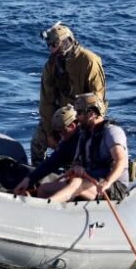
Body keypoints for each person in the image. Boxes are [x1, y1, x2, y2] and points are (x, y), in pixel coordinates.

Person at [16, 93, 127, 203]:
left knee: (76, 183)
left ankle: (46, 206)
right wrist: (29, 179)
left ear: (91, 114)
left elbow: (121, 161)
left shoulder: (112, 132)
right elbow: (60, 160)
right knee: (44, 189)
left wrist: (107, 182)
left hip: (113, 186)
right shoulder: (84, 135)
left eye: (79, 113)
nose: (77, 117)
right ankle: (43, 209)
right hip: (89, 181)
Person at [32, 22, 107, 165]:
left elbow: (97, 100)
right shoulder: (51, 65)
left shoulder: (89, 61)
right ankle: (37, 172)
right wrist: (49, 133)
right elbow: (46, 101)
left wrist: (84, 123)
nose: (51, 49)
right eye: (49, 45)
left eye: (55, 44)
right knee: (38, 139)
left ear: (66, 41)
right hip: (60, 115)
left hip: (84, 117)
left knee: (77, 151)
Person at [12, 104, 83, 199]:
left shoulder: (86, 139)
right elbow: (50, 163)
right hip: (79, 180)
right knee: (43, 186)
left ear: (72, 126)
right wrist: (28, 179)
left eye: (61, 131)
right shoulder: (67, 143)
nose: (60, 135)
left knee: (44, 189)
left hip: (92, 183)